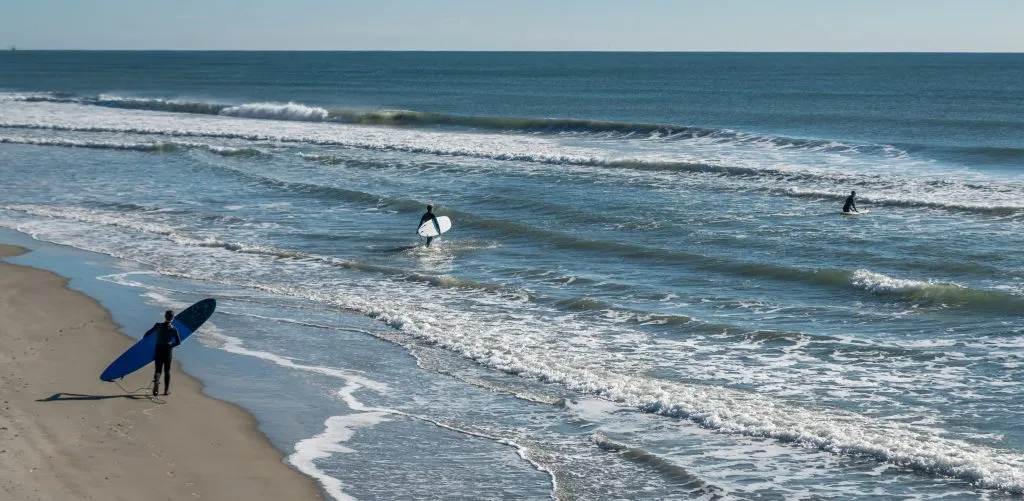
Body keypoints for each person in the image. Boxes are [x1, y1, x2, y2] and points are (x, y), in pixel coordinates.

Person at [143, 310, 180, 396]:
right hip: (168, 352)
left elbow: (147, 334)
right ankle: (166, 391)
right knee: (167, 371)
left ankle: (156, 386)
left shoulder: (158, 326)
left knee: (158, 370)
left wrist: (147, 343)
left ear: (164, 316)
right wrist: (170, 346)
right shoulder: (174, 329)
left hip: (158, 349)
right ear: (173, 318)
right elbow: (178, 342)